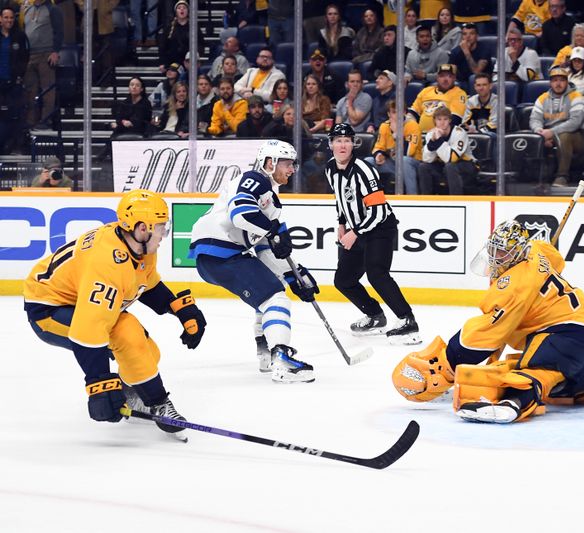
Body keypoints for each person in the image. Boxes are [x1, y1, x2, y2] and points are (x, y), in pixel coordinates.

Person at [391, 220, 584, 424]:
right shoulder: (536, 250)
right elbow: (555, 259)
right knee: (560, 374)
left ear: (516, 252)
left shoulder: (514, 285)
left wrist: (449, 360)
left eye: (503, 253)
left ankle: (514, 404)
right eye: (495, 250)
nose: (496, 257)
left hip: (568, 333)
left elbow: (487, 332)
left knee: (534, 371)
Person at [23, 189, 206, 437]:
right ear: (142, 227)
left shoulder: (137, 245)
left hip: (79, 301)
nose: (165, 233)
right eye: (161, 225)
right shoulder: (106, 262)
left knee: (148, 352)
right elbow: (89, 329)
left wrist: (179, 309)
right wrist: (99, 384)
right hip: (49, 309)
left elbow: (146, 284)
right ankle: (159, 404)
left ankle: (133, 393)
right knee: (127, 335)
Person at [189, 140, 316, 382]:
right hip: (222, 251)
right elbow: (241, 214)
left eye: (293, 164)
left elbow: (265, 247)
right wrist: (273, 230)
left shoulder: (271, 199)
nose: (292, 169)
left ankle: (266, 352)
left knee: (271, 289)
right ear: (269, 163)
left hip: (220, 255)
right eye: (287, 163)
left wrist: (294, 275)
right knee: (276, 297)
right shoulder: (255, 179)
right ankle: (282, 359)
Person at [325, 123, 421, 345]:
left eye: (346, 140)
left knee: (377, 273)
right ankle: (375, 316)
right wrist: (342, 224)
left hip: (380, 229)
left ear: (353, 144)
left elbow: (377, 211)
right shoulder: (330, 168)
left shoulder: (364, 170)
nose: (342, 145)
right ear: (331, 144)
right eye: (338, 141)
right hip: (356, 230)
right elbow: (341, 199)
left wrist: (354, 231)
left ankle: (407, 321)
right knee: (343, 280)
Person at [529, 66, 584, 187]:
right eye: (555, 80)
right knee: (530, 138)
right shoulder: (542, 98)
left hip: (576, 136)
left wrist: (551, 133)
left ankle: (562, 176)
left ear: (567, 82)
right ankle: (533, 178)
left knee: (564, 136)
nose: (558, 83)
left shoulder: (576, 96)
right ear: (550, 83)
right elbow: (535, 119)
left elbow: (575, 122)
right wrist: (540, 134)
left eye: (561, 80)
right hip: (548, 135)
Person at [418, 105, 479, 195]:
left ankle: (455, 200)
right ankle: (427, 200)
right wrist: (432, 142)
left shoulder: (459, 133)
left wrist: (438, 140)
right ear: (434, 121)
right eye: (439, 119)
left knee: (450, 166)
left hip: (466, 165)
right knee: (423, 167)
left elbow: (452, 159)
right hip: (444, 165)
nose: (442, 123)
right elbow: (426, 159)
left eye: (445, 119)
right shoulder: (431, 134)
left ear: (450, 120)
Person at [22, 0, 63, 129]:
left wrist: (55, 51)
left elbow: (59, 31)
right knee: (30, 89)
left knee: (47, 90)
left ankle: (46, 119)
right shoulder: (28, 10)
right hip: (30, 55)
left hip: (46, 54)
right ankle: (31, 121)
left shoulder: (53, 9)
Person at [366, 100, 422, 194]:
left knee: (404, 161)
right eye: (394, 112)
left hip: (412, 163)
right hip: (392, 163)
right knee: (369, 161)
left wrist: (396, 134)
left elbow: (409, 152)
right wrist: (379, 155)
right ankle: (369, 197)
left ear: (404, 112)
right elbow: (378, 147)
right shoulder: (384, 126)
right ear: (389, 114)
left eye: (399, 111)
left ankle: (412, 197)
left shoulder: (412, 126)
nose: (397, 115)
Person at [0, 6, 29, 153]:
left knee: (15, 115)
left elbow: (25, 58)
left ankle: (14, 145)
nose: (9, 20)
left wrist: (18, 77)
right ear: (0, 19)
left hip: (13, 84)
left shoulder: (20, 36)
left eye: (11, 17)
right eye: (6, 17)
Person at [409, 63, 468, 134]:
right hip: (421, 135)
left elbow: (455, 119)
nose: (445, 79)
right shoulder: (426, 91)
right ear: (437, 78)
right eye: (442, 76)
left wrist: (436, 133)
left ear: (454, 78)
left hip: (443, 135)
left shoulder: (459, 94)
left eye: (449, 76)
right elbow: (413, 113)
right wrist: (412, 129)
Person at [448, 22, 491, 87]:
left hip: (481, 84)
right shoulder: (455, 51)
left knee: (473, 78)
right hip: (461, 83)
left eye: (472, 33)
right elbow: (450, 72)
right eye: (465, 34)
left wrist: (467, 52)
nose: (468, 36)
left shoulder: (484, 50)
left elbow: (477, 73)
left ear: (477, 36)